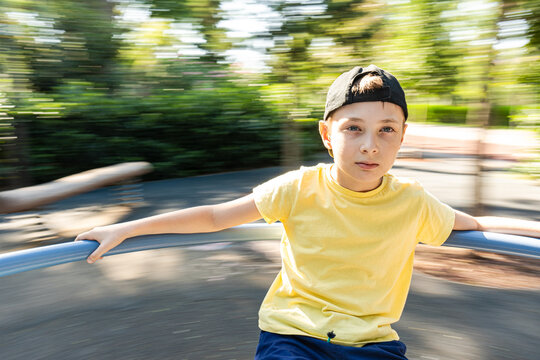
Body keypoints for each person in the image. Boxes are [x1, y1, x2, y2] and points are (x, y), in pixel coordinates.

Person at [76, 65, 540, 360]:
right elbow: (217, 217)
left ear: (401, 137)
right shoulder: (299, 188)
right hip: (292, 337)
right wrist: (126, 228)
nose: (369, 144)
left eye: (386, 130)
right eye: (353, 128)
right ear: (326, 133)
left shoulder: (412, 201)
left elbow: (478, 224)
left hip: (372, 344)